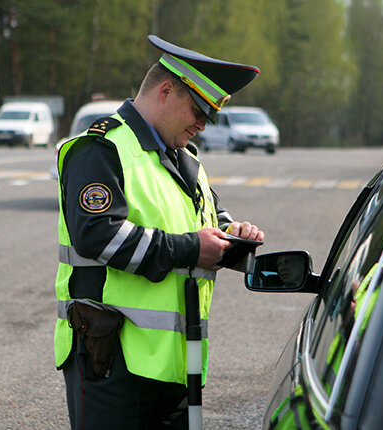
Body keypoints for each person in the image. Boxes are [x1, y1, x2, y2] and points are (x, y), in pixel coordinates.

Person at [54, 35, 264, 429]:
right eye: (199, 109)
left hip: (177, 361)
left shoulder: (186, 161)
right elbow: (98, 235)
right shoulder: (100, 148)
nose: (203, 124)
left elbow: (208, 222)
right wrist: (190, 249)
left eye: (211, 116)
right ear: (165, 91)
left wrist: (234, 236)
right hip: (111, 361)